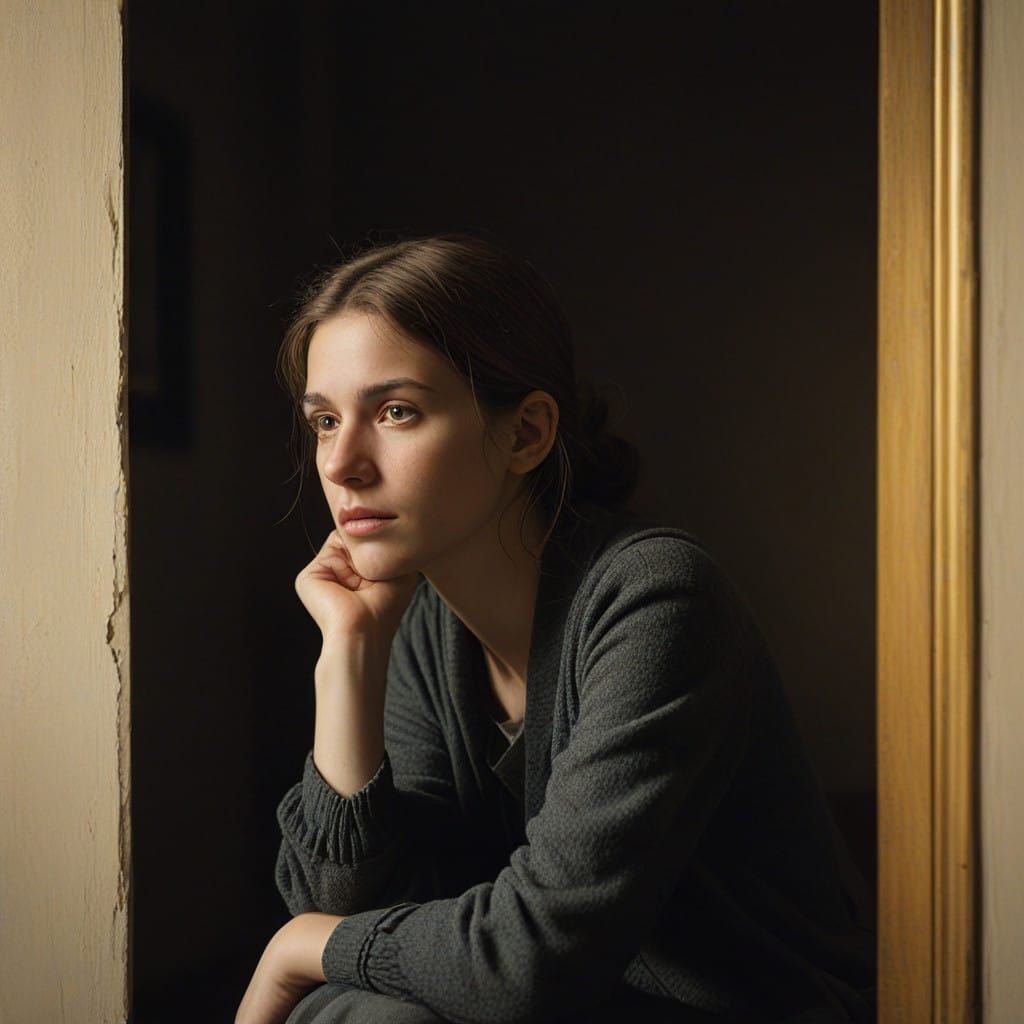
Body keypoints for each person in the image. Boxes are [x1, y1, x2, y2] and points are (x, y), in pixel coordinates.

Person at [235, 234, 876, 1024]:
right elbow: (361, 903)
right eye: (327, 420)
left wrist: (296, 948)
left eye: (396, 411)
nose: (341, 463)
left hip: (737, 1009)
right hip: (578, 1007)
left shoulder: (657, 599)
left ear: (526, 434)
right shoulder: (423, 623)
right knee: (359, 1013)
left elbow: (524, 963)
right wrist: (352, 653)